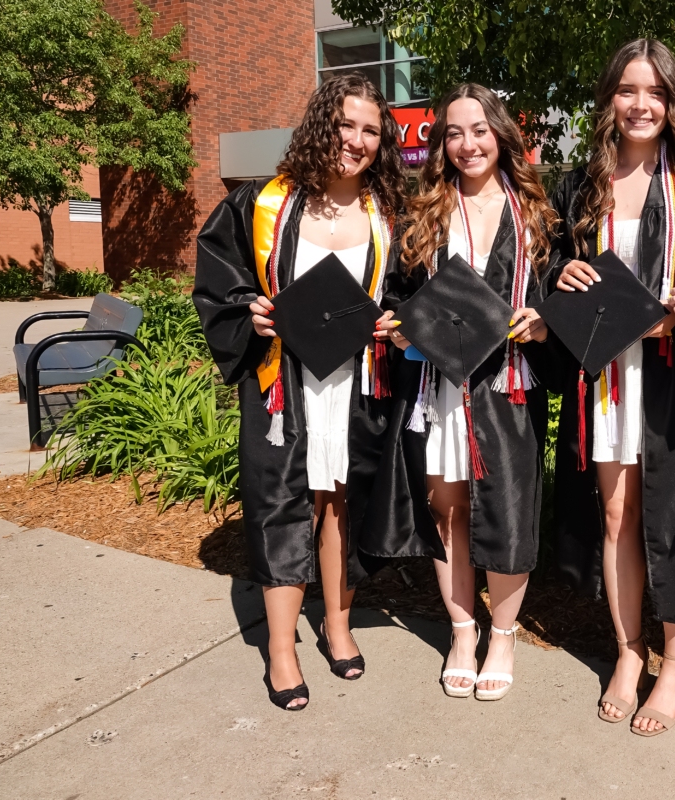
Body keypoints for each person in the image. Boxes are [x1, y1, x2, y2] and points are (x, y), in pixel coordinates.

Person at [193, 74, 406, 711]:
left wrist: (396, 321)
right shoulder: (262, 203)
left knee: (342, 498)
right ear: (322, 123)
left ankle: (338, 627)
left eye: (371, 130)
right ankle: (282, 650)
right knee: (284, 503)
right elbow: (220, 283)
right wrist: (247, 314)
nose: (358, 140)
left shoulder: (384, 211)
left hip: (355, 380)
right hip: (282, 379)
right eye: (347, 124)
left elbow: (402, 290)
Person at [547, 39, 675, 736]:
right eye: (628, 90)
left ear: (672, 103)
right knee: (618, 517)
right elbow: (553, 271)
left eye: (654, 92)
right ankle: (629, 653)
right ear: (609, 99)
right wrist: (559, 277)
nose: (640, 104)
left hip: (671, 376)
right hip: (606, 376)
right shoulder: (580, 186)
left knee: (674, 519)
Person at [363, 83, 557, 701]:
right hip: (437, 385)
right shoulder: (424, 215)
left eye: (479, 130)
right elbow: (398, 294)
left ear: (500, 133)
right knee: (447, 510)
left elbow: (562, 290)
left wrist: (543, 316)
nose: (468, 143)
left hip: (508, 385)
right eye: (454, 132)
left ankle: (503, 635)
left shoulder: (537, 215)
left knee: (508, 510)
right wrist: (395, 328)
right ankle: (463, 631)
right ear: (441, 143)